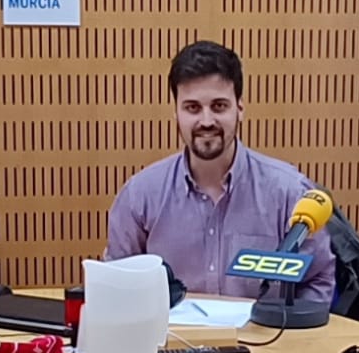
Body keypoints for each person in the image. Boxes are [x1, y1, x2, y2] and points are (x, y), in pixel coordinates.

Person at [105, 40, 334, 304]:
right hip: (170, 343)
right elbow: (117, 284)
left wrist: (288, 338)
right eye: (192, 108)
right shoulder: (140, 195)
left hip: (265, 343)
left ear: (240, 109)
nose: (206, 121)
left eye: (219, 106)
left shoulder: (290, 193)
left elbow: (318, 282)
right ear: (175, 112)